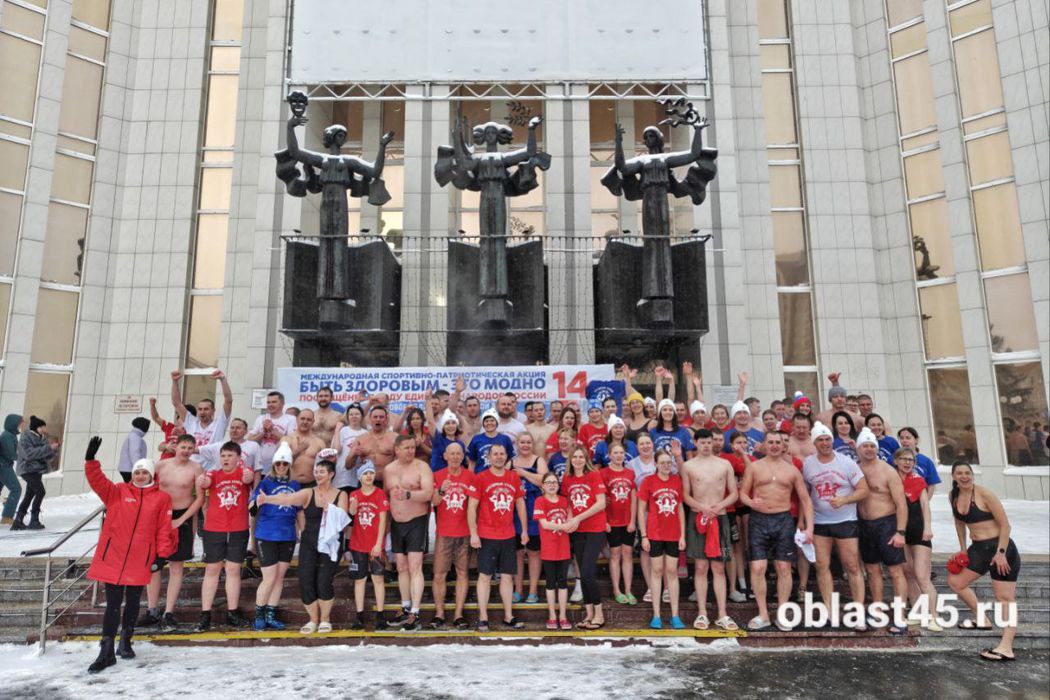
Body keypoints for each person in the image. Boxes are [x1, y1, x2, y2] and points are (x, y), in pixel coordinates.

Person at [82, 437, 174, 673]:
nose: (140, 476)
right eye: (137, 472)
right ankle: (106, 651)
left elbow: (164, 529)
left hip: (140, 558)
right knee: (113, 603)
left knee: (133, 601)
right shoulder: (118, 492)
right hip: (114, 556)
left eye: (144, 472)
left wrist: (161, 555)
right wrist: (91, 460)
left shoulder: (162, 499)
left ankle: (125, 641)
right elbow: (98, 482)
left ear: (152, 475)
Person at [257, 459, 349, 634]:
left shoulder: (341, 494)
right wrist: (267, 498)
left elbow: (343, 521)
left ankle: (325, 619)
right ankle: (313, 619)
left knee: (323, 581)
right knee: (305, 581)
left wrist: (330, 510)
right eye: (316, 471)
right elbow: (288, 498)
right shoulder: (308, 492)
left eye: (322, 471)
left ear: (331, 474)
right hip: (309, 543)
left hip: (330, 544)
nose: (318, 474)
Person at [739, 431, 813, 630]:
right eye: (770, 442)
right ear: (764, 445)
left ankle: (782, 613)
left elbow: (806, 500)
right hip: (758, 520)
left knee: (784, 568)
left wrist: (809, 528)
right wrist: (751, 503)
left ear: (783, 446)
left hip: (783, 520)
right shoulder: (754, 467)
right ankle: (763, 614)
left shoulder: (792, 471)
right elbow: (743, 493)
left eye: (777, 443)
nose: (773, 446)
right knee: (757, 568)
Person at [947, 462, 1021, 661]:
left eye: (967, 473)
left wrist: (1001, 553)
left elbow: (1005, 525)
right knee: (956, 581)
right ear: (953, 476)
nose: (964, 476)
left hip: (1000, 548)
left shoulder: (984, 494)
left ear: (972, 474)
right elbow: (959, 522)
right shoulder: (953, 495)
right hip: (979, 548)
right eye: (959, 473)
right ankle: (982, 618)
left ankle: (1006, 647)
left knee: (1005, 597)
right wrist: (963, 549)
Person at [803, 421, 869, 631]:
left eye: (827, 439)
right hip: (820, 521)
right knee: (822, 566)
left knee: (852, 566)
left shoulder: (846, 462)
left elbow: (864, 490)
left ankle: (858, 613)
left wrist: (844, 500)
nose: (825, 443)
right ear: (814, 443)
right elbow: (805, 493)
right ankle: (830, 612)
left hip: (845, 520)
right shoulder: (808, 463)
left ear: (832, 441)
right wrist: (804, 521)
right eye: (820, 440)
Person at [139, 434, 204, 632]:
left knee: (176, 566)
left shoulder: (196, 468)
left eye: (190, 448)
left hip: (182, 517)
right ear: (176, 447)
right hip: (159, 516)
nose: (186, 451)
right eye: (183, 447)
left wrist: (181, 520)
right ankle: (151, 610)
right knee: (154, 565)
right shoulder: (160, 466)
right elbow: (144, 486)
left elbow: (199, 499)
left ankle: (168, 612)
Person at [681, 428, 739, 631]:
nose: (706, 445)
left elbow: (734, 493)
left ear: (714, 443)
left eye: (709, 442)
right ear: (696, 443)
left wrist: (718, 506)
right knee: (700, 567)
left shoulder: (724, 464)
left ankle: (722, 613)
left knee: (719, 567)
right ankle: (702, 612)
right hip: (698, 517)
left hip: (720, 517)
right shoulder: (688, 466)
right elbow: (686, 495)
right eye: (702, 442)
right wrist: (703, 508)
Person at [193, 442, 254, 631]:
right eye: (223, 455)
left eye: (230, 455)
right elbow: (206, 482)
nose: (226, 459)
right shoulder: (214, 473)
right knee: (212, 569)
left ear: (238, 457)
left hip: (238, 528)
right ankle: (205, 614)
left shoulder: (244, 472)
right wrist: (202, 481)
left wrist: (249, 477)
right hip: (214, 528)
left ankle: (232, 612)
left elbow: (249, 479)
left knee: (233, 570)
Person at [468, 443, 528, 631]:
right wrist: (473, 533)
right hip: (486, 534)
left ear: (507, 457)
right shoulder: (480, 477)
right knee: (484, 576)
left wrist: (524, 530)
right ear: (489, 457)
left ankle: (508, 616)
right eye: (495, 454)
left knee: (507, 577)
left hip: (508, 534)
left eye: (502, 454)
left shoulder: (513, 477)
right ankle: (483, 617)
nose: (499, 457)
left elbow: (520, 504)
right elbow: (471, 507)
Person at [854, 428, 908, 634]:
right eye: (865, 446)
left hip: (887, 524)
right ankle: (877, 610)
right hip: (864, 525)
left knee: (895, 571)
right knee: (872, 570)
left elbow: (901, 504)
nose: (869, 449)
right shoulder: (855, 470)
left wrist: (900, 532)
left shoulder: (888, 471)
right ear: (858, 449)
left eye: (872, 446)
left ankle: (900, 616)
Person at [384, 434, 435, 630]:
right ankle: (405, 607)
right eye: (407, 448)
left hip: (416, 521)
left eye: (413, 447)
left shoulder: (422, 467)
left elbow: (428, 494)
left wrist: (408, 494)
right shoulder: (389, 469)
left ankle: (415, 611)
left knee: (415, 567)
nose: (411, 451)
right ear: (397, 449)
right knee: (401, 567)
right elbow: (386, 496)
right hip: (397, 523)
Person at [250, 443, 300, 631]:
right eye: (278, 463)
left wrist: (303, 532)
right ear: (273, 464)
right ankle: (259, 613)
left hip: (287, 535)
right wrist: (256, 502)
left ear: (289, 465)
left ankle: (271, 613)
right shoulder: (266, 482)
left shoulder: (295, 484)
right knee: (269, 577)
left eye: (284, 464)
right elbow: (252, 506)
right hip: (267, 534)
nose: (281, 466)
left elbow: (299, 510)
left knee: (279, 577)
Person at [637, 449, 686, 630]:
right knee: (657, 571)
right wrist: (644, 535)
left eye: (669, 462)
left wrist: (682, 535)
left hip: (673, 534)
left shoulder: (676, 480)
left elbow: (680, 509)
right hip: (655, 533)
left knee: (672, 572)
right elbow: (641, 510)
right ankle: (656, 615)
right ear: (656, 464)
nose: (666, 465)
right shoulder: (648, 481)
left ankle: (675, 615)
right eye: (663, 462)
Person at [894, 447, 940, 632]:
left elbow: (925, 507)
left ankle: (934, 617)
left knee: (922, 576)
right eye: (903, 459)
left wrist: (928, 527)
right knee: (909, 574)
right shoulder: (892, 480)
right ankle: (918, 613)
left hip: (919, 531)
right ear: (896, 461)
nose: (907, 463)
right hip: (901, 532)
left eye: (910, 460)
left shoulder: (918, 481)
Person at [430, 442, 475, 630]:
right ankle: (439, 613)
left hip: (464, 532)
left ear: (463, 456)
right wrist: (441, 489)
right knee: (439, 574)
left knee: (462, 573)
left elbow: (475, 505)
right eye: (452, 453)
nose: (456, 457)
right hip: (444, 532)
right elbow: (433, 502)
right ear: (445, 456)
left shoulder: (470, 476)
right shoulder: (437, 475)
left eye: (459, 453)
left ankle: (458, 614)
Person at [561, 445, 608, 628]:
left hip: (595, 528)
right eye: (575, 457)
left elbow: (601, 503)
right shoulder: (567, 478)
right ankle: (589, 614)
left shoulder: (593, 475)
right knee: (582, 571)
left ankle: (599, 614)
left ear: (586, 459)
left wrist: (578, 517)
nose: (578, 460)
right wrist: (570, 518)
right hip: (578, 530)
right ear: (570, 459)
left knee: (588, 572)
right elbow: (568, 503)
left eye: (581, 457)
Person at [347, 461, 390, 630]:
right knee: (360, 579)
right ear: (359, 477)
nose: (369, 476)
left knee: (378, 578)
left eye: (371, 472)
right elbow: (351, 513)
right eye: (365, 473)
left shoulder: (380, 494)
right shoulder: (354, 494)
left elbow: (382, 520)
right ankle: (359, 616)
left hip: (374, 544)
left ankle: (380, 615)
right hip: (358, 544)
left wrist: (379, 544)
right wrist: (354, 504)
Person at [533, 471, 573, 630]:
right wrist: (564, 526)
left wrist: (568, 525)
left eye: (554, 482)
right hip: (549, 548)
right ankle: (552, 615)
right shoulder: (540, 501)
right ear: (543, 486)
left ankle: (563, 616)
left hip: (564, 548)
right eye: (548, 482)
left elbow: (570, 520)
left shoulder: (564, 500)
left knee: (562, 582)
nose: (551, 485)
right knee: (550, 582)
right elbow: (544, 524)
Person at [511, 430, 547, 604]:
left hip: (534, 510)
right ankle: (517, 590)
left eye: (528, 442)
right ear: (517, 444)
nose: (525, 445)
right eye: (522, 442)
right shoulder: (510, 462)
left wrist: (524, 473)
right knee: (517, 552)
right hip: (514, 512)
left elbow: (544, 481)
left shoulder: (539, 460)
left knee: (534, 552)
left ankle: (532, 591)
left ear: (532, 444)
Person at [602, 443, 637, 605]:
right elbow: (601, 499)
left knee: (628, 553)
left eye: (621, 453)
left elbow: (634, 499)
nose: (618, 455)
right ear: (609, 455)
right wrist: (605, 521)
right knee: (615, 553)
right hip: (612, 521)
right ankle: (617, 590)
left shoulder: (630, 473)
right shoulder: (604, 473)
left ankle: (628, 590)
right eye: (615, 453)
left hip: (627, 521)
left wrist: (632, 521)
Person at [170, 369, 233, 456]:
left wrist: (222, 379)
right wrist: (175, 381)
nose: (202, 412)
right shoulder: (191, 422)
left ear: (213, 410)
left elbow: (228, 401)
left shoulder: (219, 424)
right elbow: (176, 403)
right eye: (200, 409)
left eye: (206, 409)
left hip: (212, 464)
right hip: (192, 463)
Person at [12, 415, 59, 530]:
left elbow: (46, 456)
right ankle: (34, 520)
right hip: (27, 469)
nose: (43, 429)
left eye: (44, 427)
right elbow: (29, 454)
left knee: (30, 494)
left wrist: (53, 449)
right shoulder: (26, 437)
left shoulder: (42, 438)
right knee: (40, 491)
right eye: (41, 427)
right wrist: (48, 448)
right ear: (35, 427)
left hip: (37, 470)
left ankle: (18, 520)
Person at [724, 430, 755, 601]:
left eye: (744, 442)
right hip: (732, 506)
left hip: (748, 504)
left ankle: (752, 582)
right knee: (737, 545)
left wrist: (744, 454)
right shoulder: (727, 458)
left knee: (750, 542)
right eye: (738, 443)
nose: (742, 445)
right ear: (731, 445)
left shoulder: (751, 459)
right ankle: (741, 582)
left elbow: (752, 471)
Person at [247, 390, 298, 472]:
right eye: (268, 402)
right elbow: (249, 440)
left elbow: (291, 442)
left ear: (282, 403)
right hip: (260, 466)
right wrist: (263, 432)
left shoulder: (290, 419)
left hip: (281, 466)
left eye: (274, 402)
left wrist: (272, 430)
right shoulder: (260, 418)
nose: (270, 405)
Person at [350, 405, 397, 486]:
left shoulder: (395, 438)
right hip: (365, 483)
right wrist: (353, 454)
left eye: (381, 417)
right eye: (375, 417)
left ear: (386, 419)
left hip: (387, 481)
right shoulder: (360, 439)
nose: (378, 419)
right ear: (370, 419)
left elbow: (402, 464)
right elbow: (348, 466)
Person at [281, 409, 327, 485]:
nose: (305, 422)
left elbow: (325, 466)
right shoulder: (287, 439)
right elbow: (279, 463)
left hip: (312, 483)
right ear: (297, 420)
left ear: (313, 422)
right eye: (302, 419)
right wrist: (298, 451)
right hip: (290, 483)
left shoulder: (319, 442)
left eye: (308, 420)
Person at [333, 403, 368, 492]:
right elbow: (336, 450)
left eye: (357, 414)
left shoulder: (366, 433)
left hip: (359, 476)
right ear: (348, 417)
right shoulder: (343, 431)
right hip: (342, 476)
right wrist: (337, 431)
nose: (354, 416)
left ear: (362, 416)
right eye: (351, 414)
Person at [896, 427, 941, 495]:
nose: (904, 440)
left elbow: (931, 485)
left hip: (920, 499)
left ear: (916, 440)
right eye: (901, 438)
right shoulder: (894, 459)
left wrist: (926, 500)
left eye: (908, 438)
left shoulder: (926, 461)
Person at [0, 414, 22, 525]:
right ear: (13, 423)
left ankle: (7, 511)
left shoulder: (10, 435)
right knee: (16, 489)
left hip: (3, 465)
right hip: (3, 466)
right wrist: (22, 458)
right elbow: (10, 454)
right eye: (20, 423)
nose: (21, 425)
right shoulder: (7, 436)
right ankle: (7, 517)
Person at [116, 418, 150, 483]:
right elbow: (135, 454)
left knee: (131, 487)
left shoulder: (134, 436)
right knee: (133, 487)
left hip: (128, 468)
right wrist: (138, 469)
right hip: (130, 469)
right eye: (147, 426)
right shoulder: (135, 437)